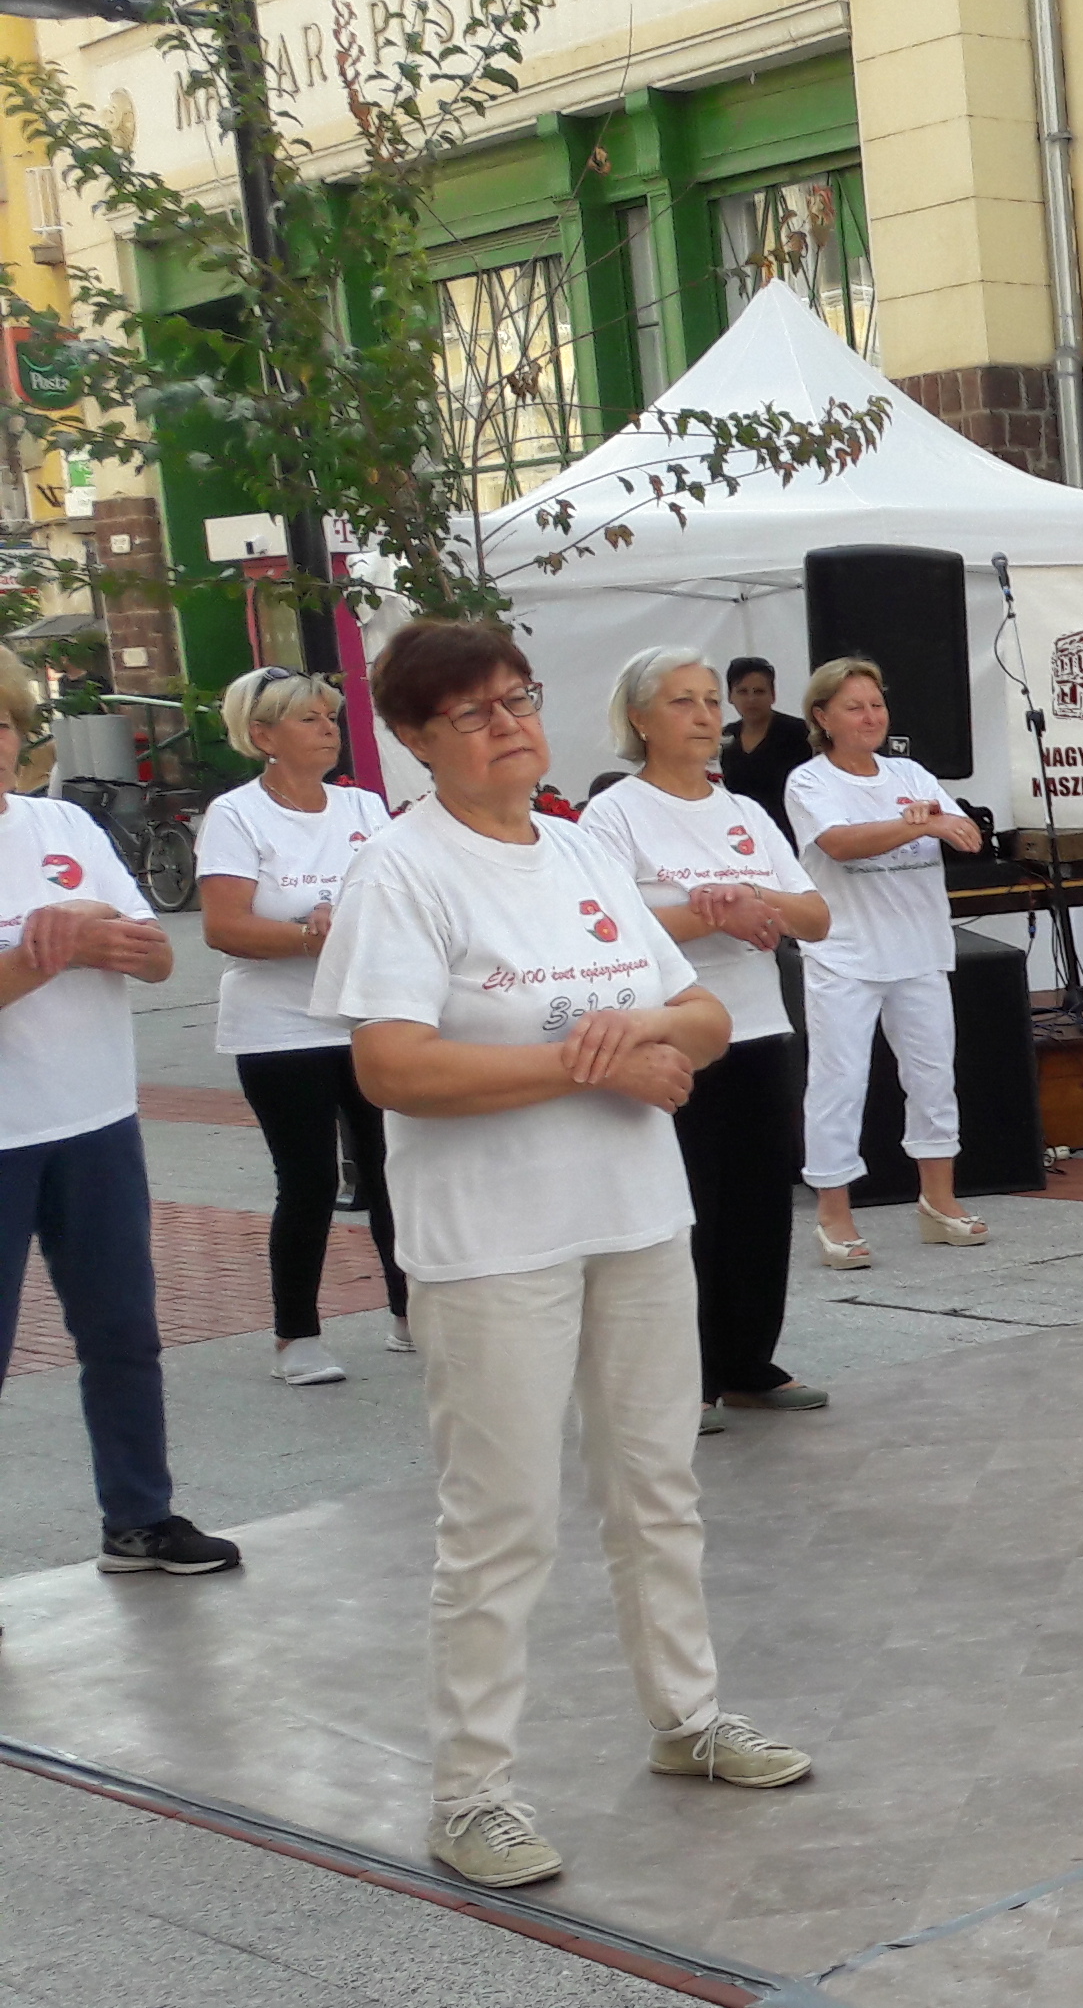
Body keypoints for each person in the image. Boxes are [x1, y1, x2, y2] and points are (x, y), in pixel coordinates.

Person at [317, 619, 798, 1890]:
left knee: (658, 1487)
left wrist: (655, 1037)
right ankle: (472, 1792)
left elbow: (702, 1008)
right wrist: (585, 1063)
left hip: (634, 1218)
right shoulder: (401, 871)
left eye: (519, 699)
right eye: (472, 713)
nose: (508, 726)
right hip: (492, 1244)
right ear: (414, 741)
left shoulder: (580, 846)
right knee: (503, 1520)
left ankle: (688, 1717)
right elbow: (391, 1064)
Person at [1, 767, 243, 1576]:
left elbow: (157, 958)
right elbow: (76, 954)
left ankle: (139, 1520)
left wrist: (85, 917)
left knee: (123, 1334)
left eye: (3, 724)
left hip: (95, 1120)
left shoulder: (64, 827)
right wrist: (56, 952)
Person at [582, 649, 832, 1425]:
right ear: (639, 718)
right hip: (671, 1035)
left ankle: (748, 1360)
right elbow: (603, 927)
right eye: (682, 701)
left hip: (760, 1029)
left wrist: (751, 894)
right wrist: (711, 914)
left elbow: (815, 916)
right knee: (687, 1208)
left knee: (760, 1206)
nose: (704, 716)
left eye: (708, 700)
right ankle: (682, 1379)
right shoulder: (614, 815)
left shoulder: (745, 812)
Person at [198, 668, 403, 1385]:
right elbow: (224, 927)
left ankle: (410, 1312)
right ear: (263, 736)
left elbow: (399, 898)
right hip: (280, 1028)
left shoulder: (364, 806)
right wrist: (311, 935)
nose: (327, 729)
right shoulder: (236, 815)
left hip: (366, 1017)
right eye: (309, 719)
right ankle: (297, 1337)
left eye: (331, 717)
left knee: (393, 1168)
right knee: (310, 1179)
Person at [782, 657, 991, 1269]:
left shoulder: (911, 772)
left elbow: (963, 830)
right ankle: (834, 1213)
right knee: (840, 1083)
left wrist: (940, 821)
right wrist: (912, 824)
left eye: (876, 704)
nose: (871, 716)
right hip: (845, 954)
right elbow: (840, 844)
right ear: (822, 717)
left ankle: (938, 1201)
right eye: (854, 707)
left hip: (920, 950)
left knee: (932, 1077)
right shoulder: (809, 782)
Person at [718, 655, 808, 838]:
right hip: (742, 836)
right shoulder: (724, 738)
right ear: (730, 696)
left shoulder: (800, 733)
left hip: (790, 834)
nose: (751, 699)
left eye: (759, 691)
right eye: (742, 692)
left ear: (773, 695)